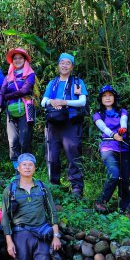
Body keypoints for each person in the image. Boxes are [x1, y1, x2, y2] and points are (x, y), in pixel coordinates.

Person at [1, 153, 61, 260]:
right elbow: (5, 218)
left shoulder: (41, 187)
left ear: (35, 168)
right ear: (18, 168)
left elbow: (52, 212)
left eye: (30, 165)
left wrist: (56, 236)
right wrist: (9, 242)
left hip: (41, 234)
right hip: (20, 235)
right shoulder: (11, 189)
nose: (27, 167)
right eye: (24, 165)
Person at [41, 53, 88, 197]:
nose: (64, 65)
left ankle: (77, 188)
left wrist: (64, 102)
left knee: (73, 154)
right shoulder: (52, 83)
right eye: (62, 62)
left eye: (68, 63)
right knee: (52, 156)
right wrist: (52, 102)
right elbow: (43, 102)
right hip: (53, 124)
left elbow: (82, 102)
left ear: (72, 66)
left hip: (71, 123)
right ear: (58, 65)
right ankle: (54, 186)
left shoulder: (77, 82)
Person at [92, 85, 130, 219]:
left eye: (110, 95)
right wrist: (113, 134)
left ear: (114, 97)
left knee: (125, 179)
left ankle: (125, 208)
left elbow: (124, 122)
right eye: (104, 96)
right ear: (101, 99)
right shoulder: (98, 114)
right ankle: (101, 201)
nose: (108, 97)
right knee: (114, 174)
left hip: (123, 147)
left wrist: (122, 130)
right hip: (108, 146)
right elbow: (102, 126)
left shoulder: (122, 111)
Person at [0, 48, 37, 172]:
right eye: (15, 58)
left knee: (25, 140)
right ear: (12, 61)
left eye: (20, 58)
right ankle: (16, 169)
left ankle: (27, 169)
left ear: (25, 60)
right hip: (11, 110)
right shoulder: (9, 76)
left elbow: (24, 90)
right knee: (12, 141)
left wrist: (7, 97)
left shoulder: (30, 74)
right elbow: (2, 91)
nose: (17, 60)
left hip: (26, 109)